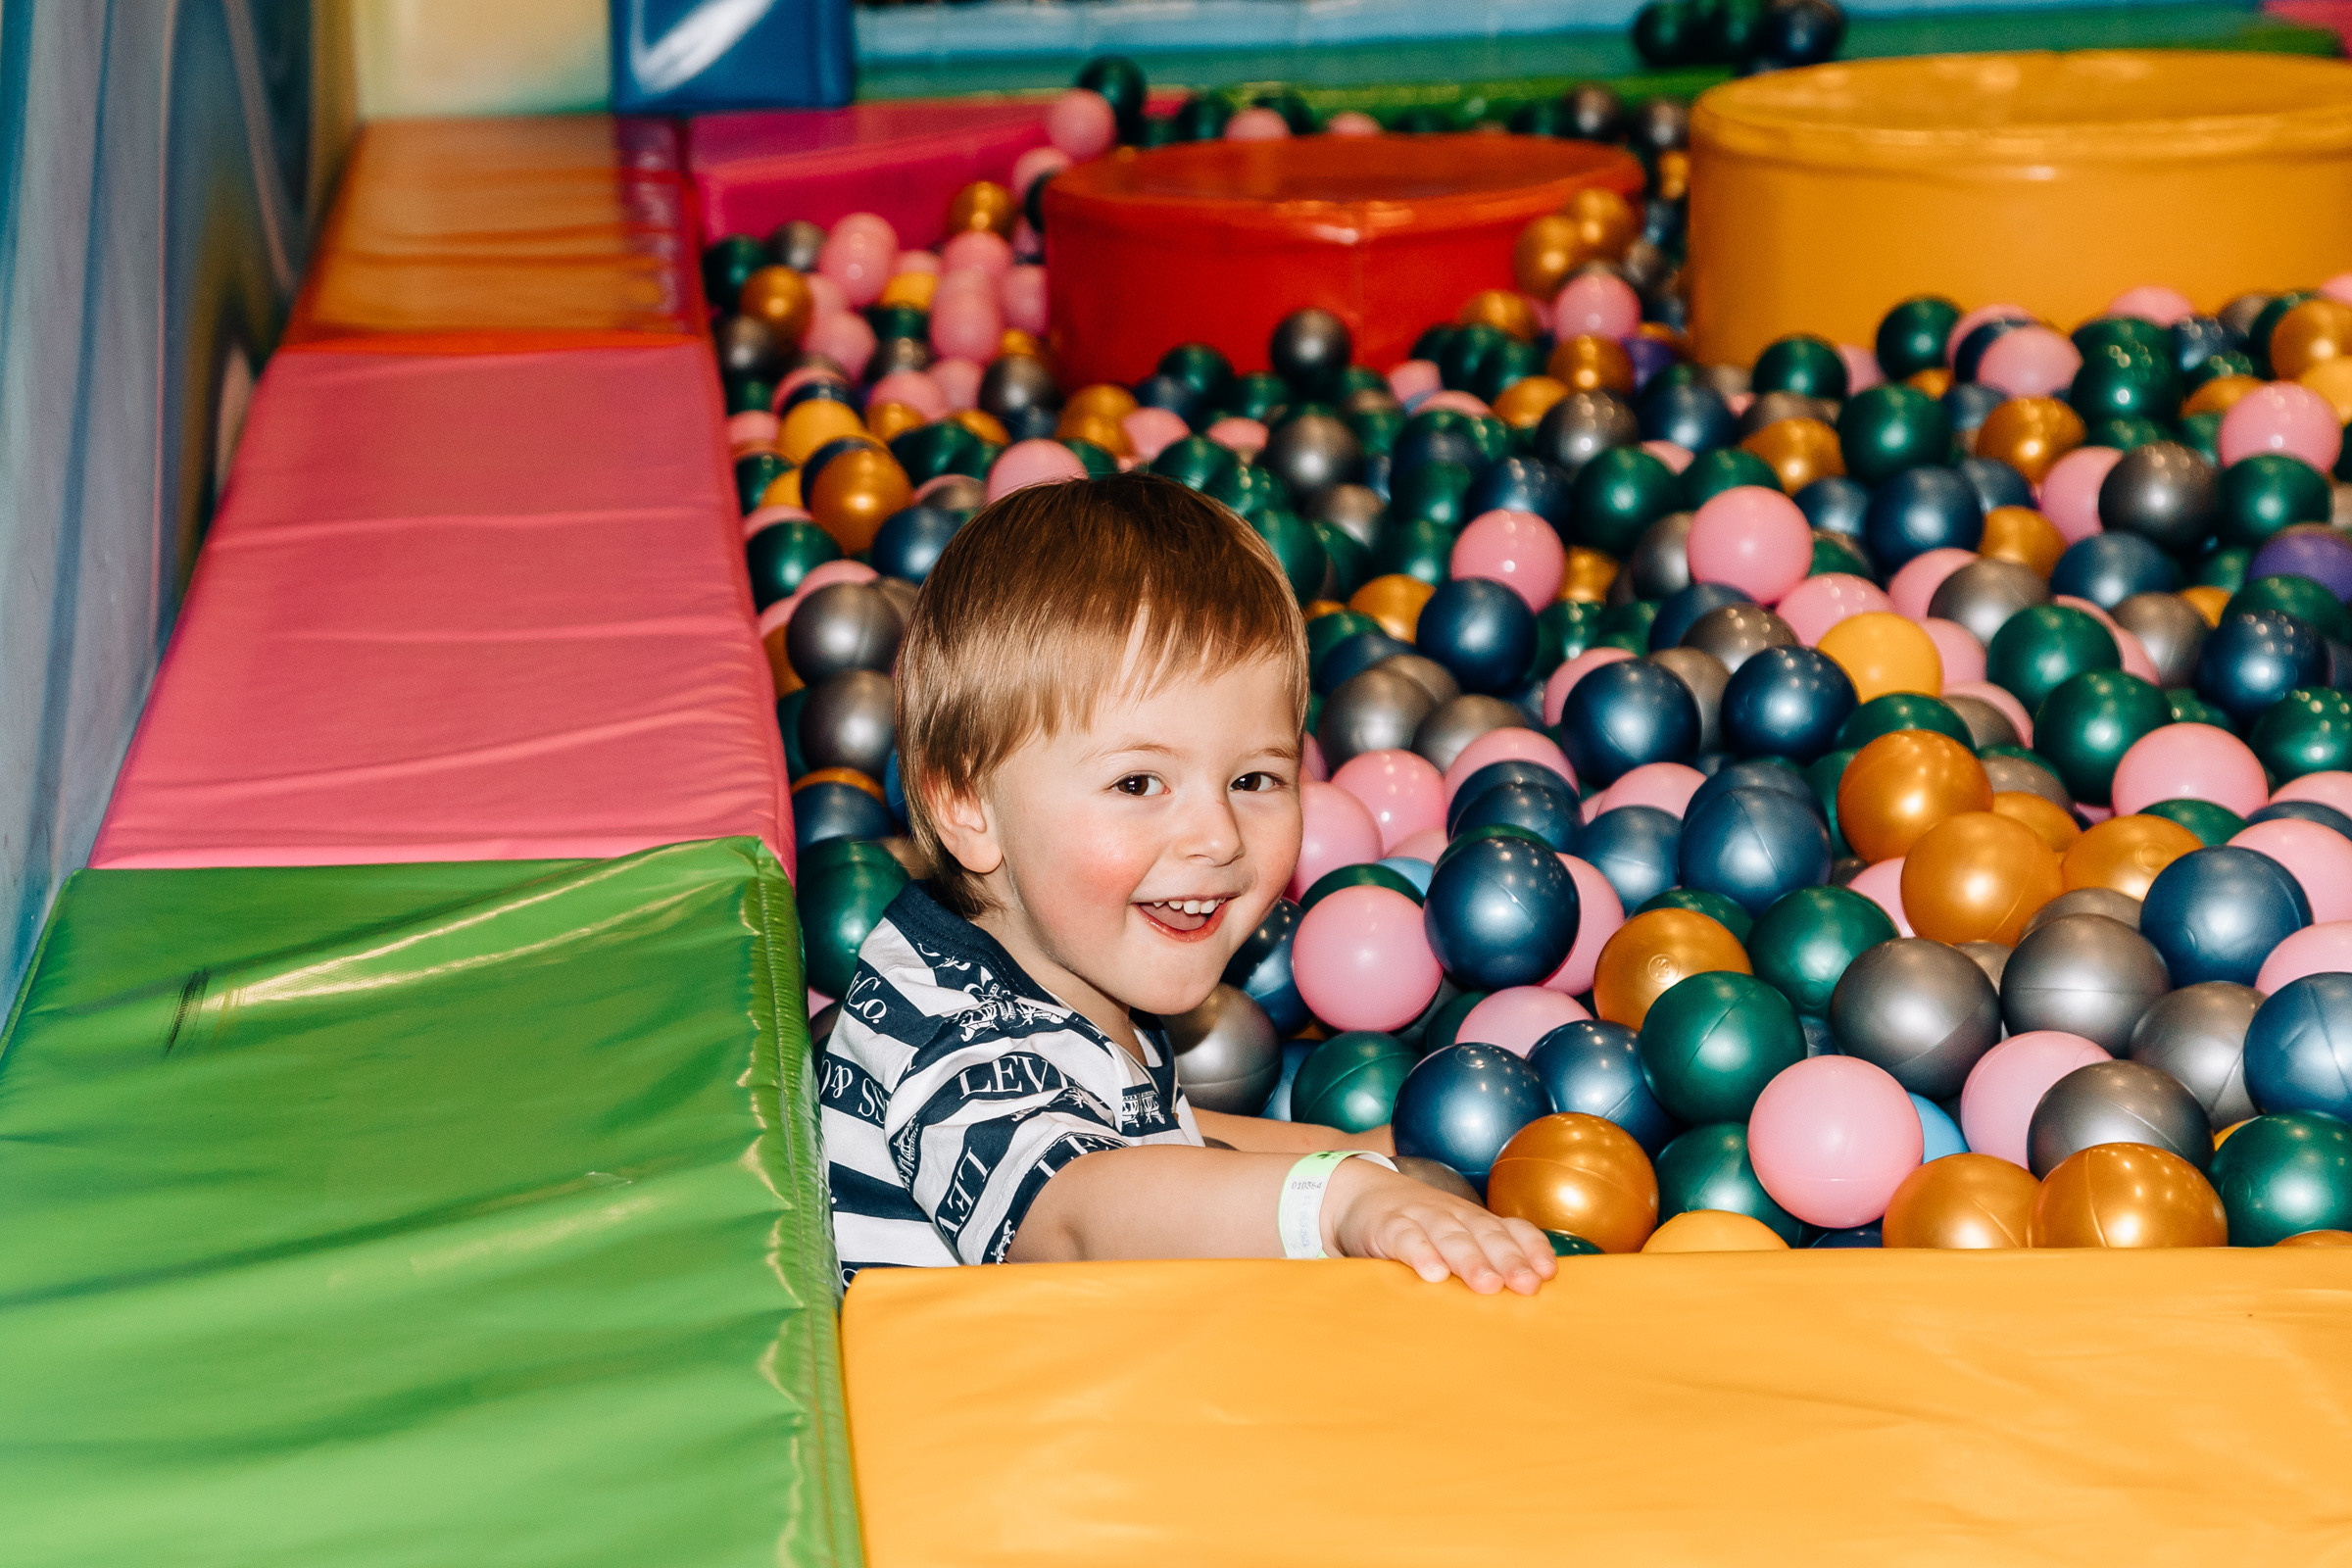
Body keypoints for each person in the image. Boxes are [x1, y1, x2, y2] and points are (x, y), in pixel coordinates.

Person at [818, 472, 1554, 1296]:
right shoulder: (945, 1036)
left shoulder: (1063, 957)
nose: (1218, 837)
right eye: (1138, 785)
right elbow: (1080, 1213)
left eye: (1254, 780)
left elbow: (1154, 1143)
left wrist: (1372, 1156)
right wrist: (1337, 1200)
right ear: (966, 805)